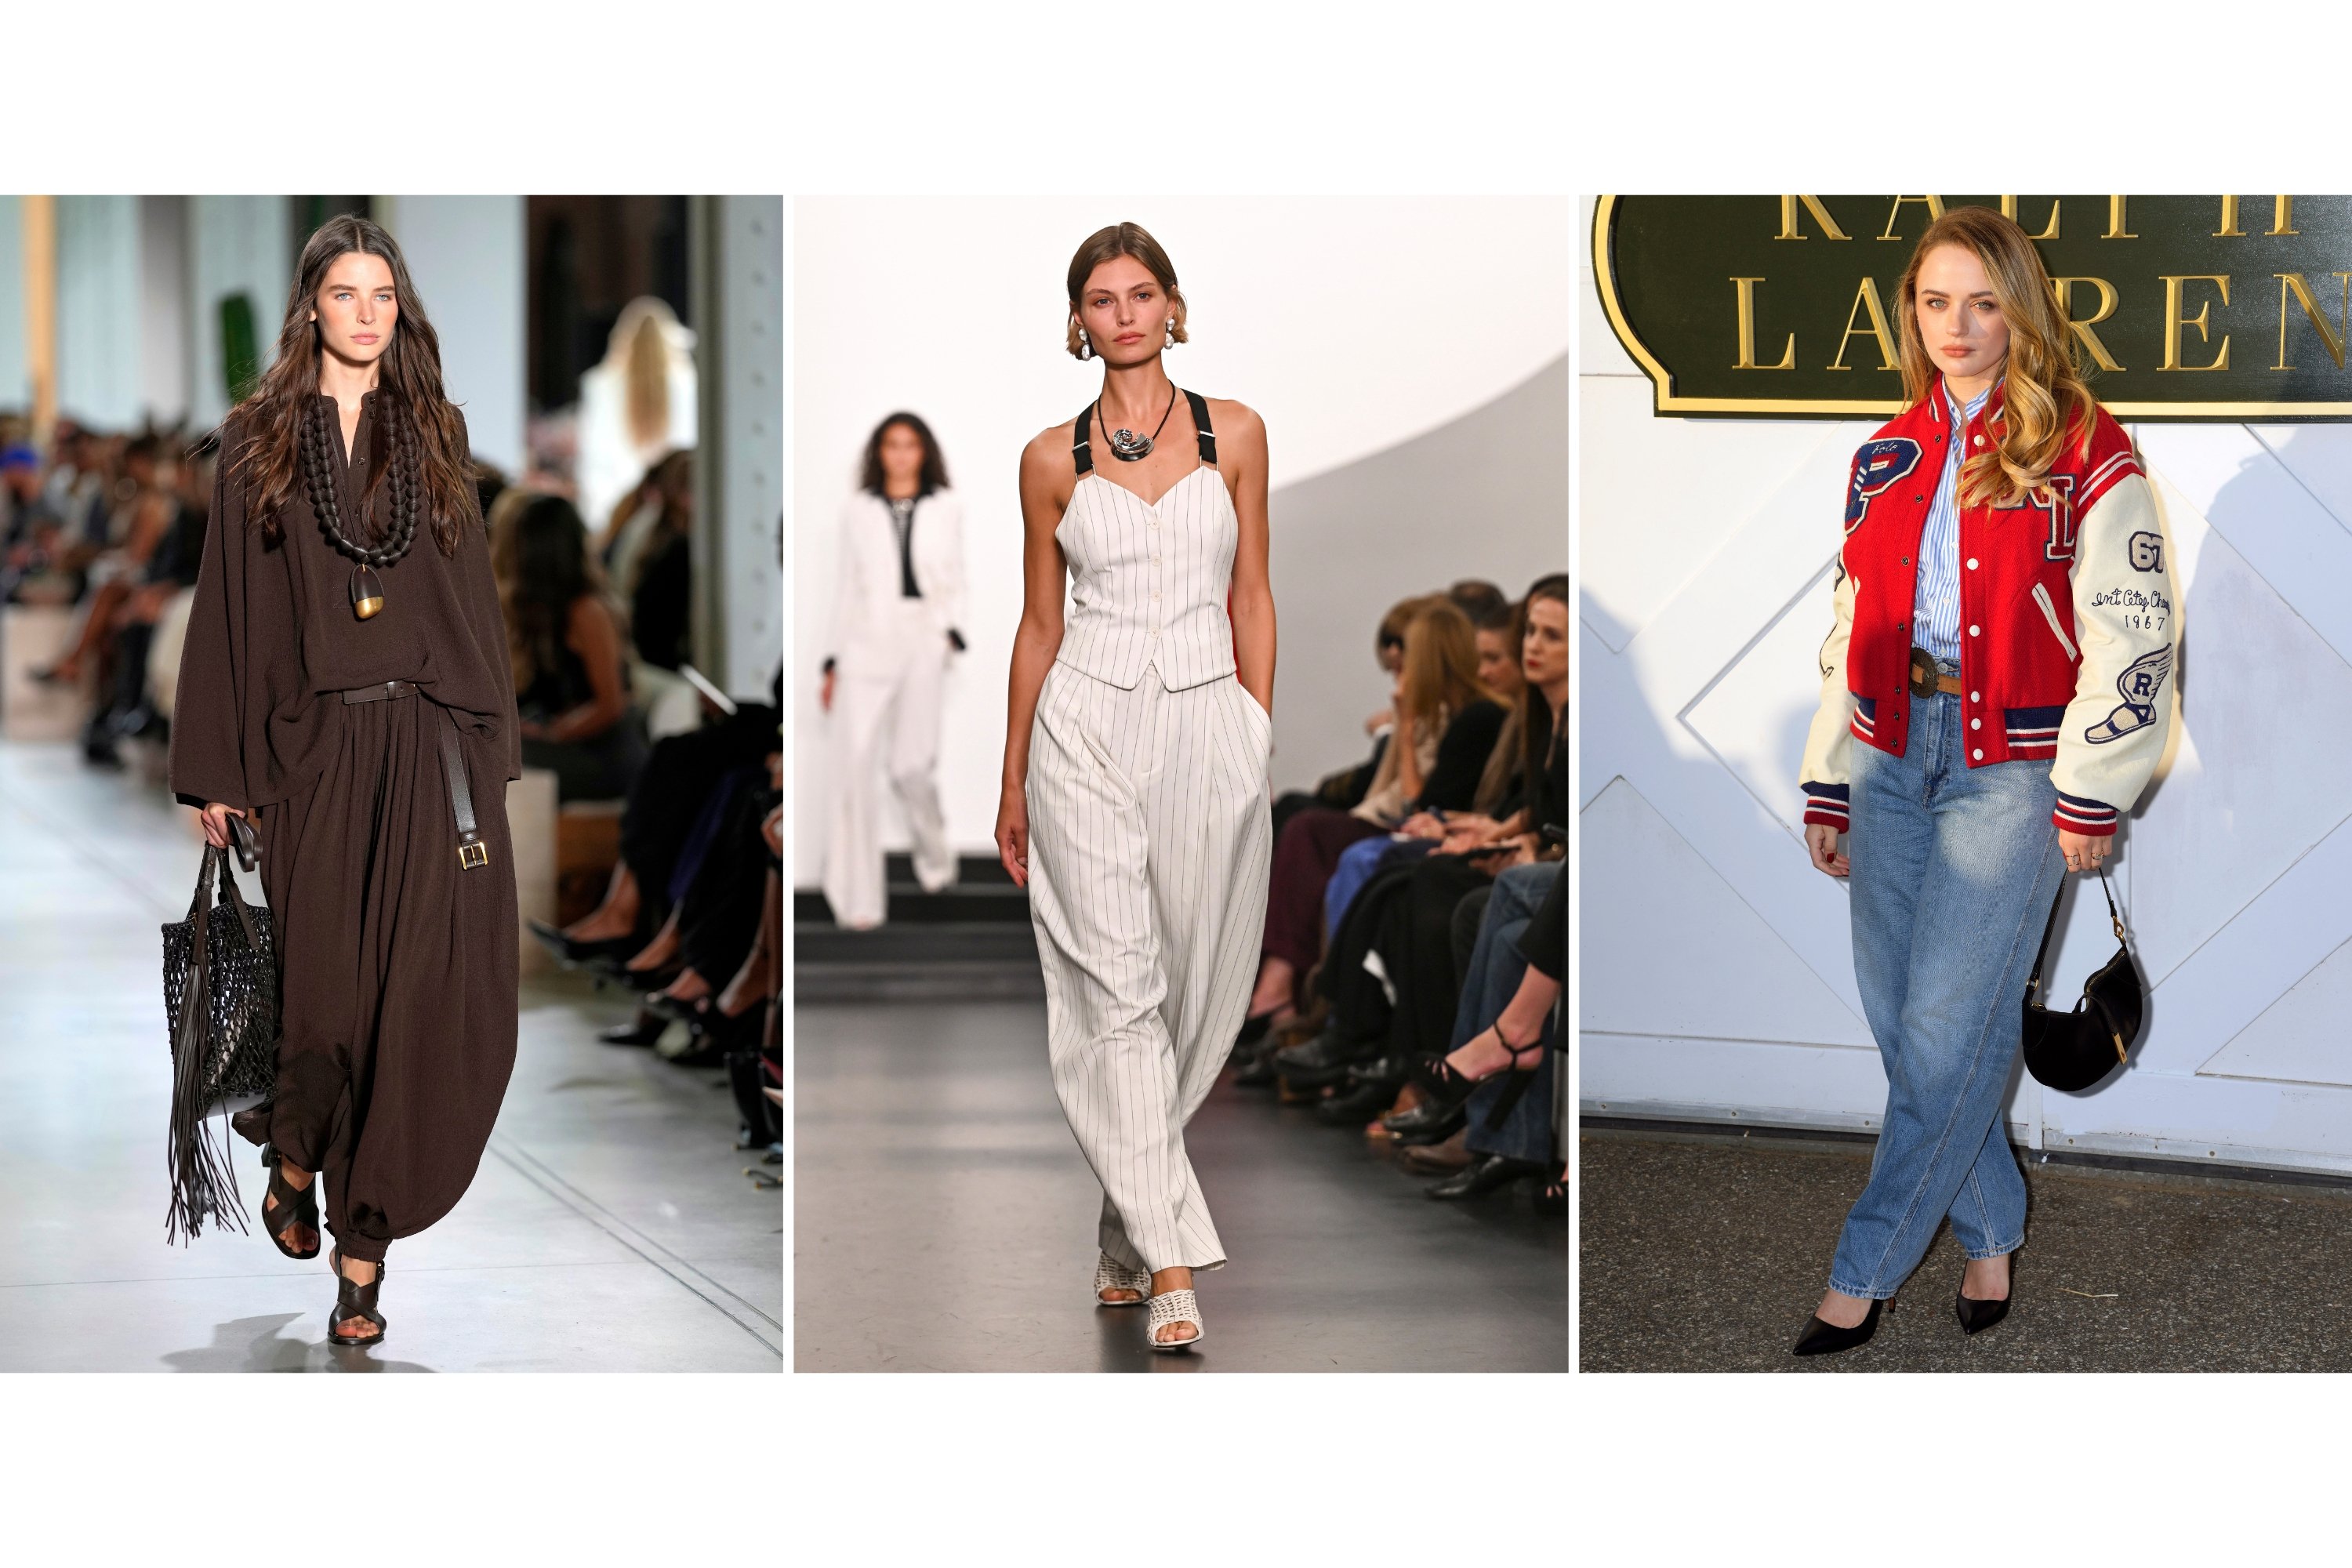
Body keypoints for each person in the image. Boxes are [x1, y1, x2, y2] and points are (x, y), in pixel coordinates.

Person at [1791, 207, 2177, 1356]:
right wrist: (1829, 777)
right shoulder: (1886, 453)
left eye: (1982, 302)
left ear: (2022, 309)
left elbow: (2134, 627)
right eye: (1934, 301)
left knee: (1945, 1025)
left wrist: (2092, 787)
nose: (1955, 325)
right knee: (1906, 1025)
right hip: (1886, 752)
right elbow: (1852, 623)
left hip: (2014, 767)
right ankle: (1994, 1223)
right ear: (1909, 313)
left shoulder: (2086, 446)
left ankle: (1861, 1272)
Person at [168, 214, 523, 1347]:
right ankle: (294, 1152)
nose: (366, 314)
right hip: (314, 751)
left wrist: (488, 746)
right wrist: (214, 771)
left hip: (429, 746)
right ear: (311, 307)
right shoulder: (259, 440)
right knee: (327, 999)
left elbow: (474, 602)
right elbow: (229, 608)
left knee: (415, 1005)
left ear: (398, 309)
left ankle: (362, 1258)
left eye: (383, 295)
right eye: (345, 294)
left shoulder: (435, 433)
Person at [995, 222, 1274, 1351]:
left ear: (1172, 306)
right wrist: (1012, 778)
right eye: (1102, 299)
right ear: (1078, 320)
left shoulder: (1235, 432)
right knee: (1118, 992)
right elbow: (1038, 624)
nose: (1124, 314)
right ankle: (1171, 1267)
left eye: (1141, 294)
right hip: (1084, 728)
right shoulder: (1048, 459)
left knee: (1196, 992)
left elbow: (1253, 591)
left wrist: (1256, 727)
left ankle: (1125, 1221)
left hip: (1210, 719)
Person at [818, 412, 967, 928]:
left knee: (910, 766)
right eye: (891, 444)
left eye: (910, 445)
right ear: (878, 452)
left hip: (922, 636)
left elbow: (955, 576)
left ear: (924, 452)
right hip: (865, 641)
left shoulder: (947, 507)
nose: (901, 455)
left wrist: (949, 632)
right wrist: (833, 660)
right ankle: (857, 898)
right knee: (854, 764)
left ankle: (935, 854)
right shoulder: (857, 510)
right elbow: (846, 586)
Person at [490, 488, 649, 802]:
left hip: (607, 753)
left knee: (499, 755)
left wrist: (551, 733)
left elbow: (611, 704)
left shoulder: (587, 611)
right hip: (577, 741)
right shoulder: (545, 609)